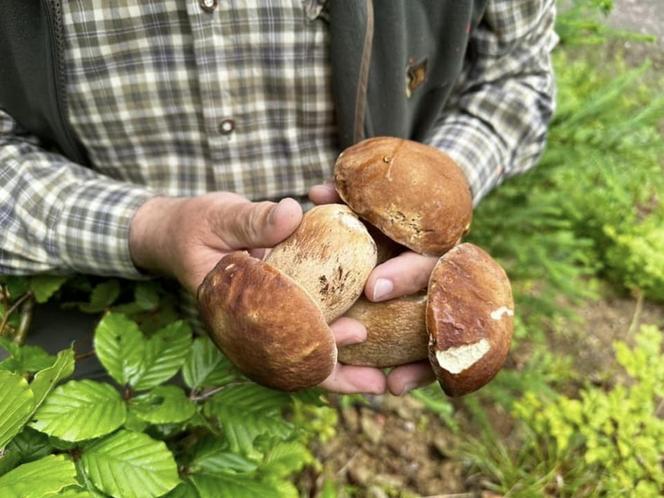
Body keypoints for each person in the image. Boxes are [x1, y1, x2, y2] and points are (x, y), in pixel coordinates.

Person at [0, 0, 557, 396]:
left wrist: (434, 204)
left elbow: (517, 77)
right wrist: (149, 228)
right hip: (96, 309)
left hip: (342, 320)